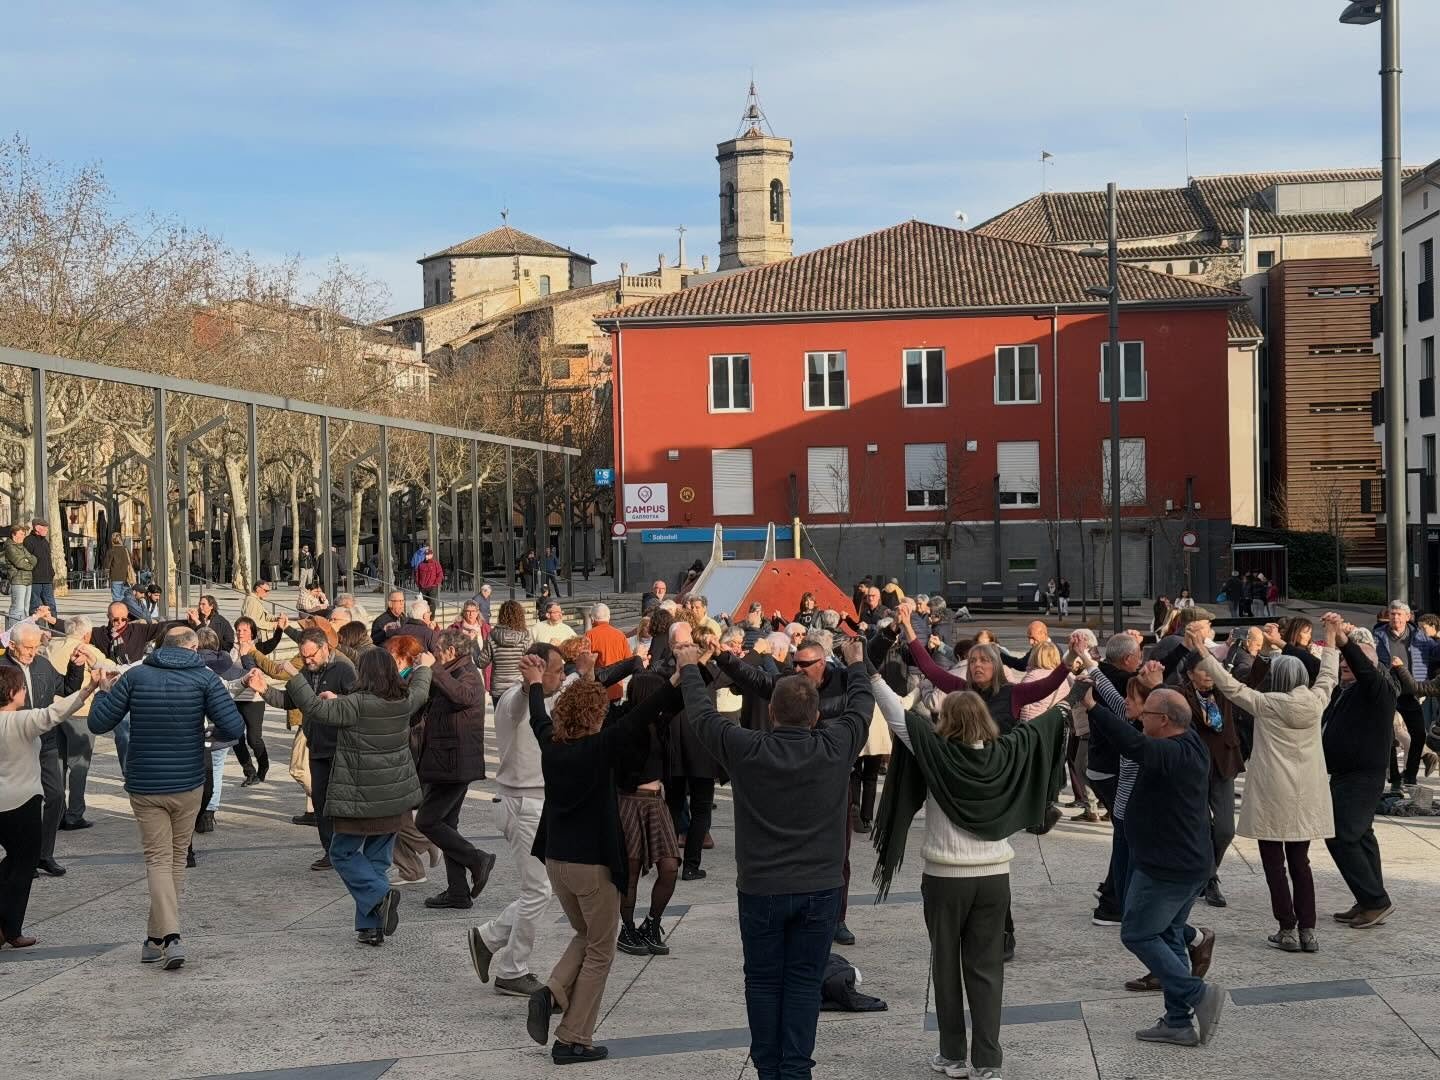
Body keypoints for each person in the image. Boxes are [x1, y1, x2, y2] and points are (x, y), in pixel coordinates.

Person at [674, 635, 871, 1080]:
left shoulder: (748, 748)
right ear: (817, 714)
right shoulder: (836, 746)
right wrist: (857, 663)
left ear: (773, 713)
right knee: (804, 981)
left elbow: (703, 717)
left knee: (762, 982)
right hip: (820, 888)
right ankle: (795, 1069)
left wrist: (689, 668)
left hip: (762, 887)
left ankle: (768, 1069)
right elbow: (861, 708)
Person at [871, 672, 1077, 1080]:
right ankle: (988, 1061)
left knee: (946, 967)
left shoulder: (935, 753)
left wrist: (871, 673)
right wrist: (1073, 697)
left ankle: (952, 1055)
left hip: (946, 878)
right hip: (996, 878)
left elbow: (897, 717)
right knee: (986, 969)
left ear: (946, 722)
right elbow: (1041, 728)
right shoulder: (1006, 754)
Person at [521, 648, 672, 1065]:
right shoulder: (600, 747)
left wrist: (536, 684)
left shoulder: (552, 743)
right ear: (595, 717)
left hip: (556, 861)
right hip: (592, 865)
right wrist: (677, 680)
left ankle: (552, 992)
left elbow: (539, 715)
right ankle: (573, 1037)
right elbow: (645, 714)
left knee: (588, 934)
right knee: (602, 949)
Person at [88, 626, 245, 968]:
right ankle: (171, 936)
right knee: (174, 859)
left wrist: (102, 691)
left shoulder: (136, 676)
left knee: (159, 859)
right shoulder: (204, 679)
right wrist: (205, 733)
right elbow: (234, 727)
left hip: (145, 782)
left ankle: (156, 938)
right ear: (193, 647)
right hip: (188, 780)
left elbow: (99, 723)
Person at [256, 648, 432, 947]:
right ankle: (371, 927)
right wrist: (425, 667)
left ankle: (380, 895)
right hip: (394, 799)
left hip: (359, 798)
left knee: (342, 854)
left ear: (363, 673)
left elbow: (312, 709)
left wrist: (294, 675)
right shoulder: (402, 702)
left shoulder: (355, 704)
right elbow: (419, 690)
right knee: (377, 859)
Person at [1087, 684, 1226, 1047]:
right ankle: (1178, 1022)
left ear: (1164, 721)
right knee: (1166, 936)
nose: (1139, 719)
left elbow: (1134, 745)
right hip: (1186, 863)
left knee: (1137, 933)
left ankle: (1197, 995)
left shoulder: (1172, 752)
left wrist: (1092, 707)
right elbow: (1139, 739)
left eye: (1145, 714)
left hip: (1169, 868)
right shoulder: (1188, 741)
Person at [1191, 618, 1338, 952]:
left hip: (1273, 793)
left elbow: (1228, 685)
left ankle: (1286, 928)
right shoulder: (1316, 703)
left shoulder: (1266, 704)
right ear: (1301, 677)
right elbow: (1328, 674)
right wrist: (1330, 636)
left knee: (1274, 864)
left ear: (1275, 679)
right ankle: (1309, 930)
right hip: (1307, 795)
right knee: (1301, 863)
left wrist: (1201, 649)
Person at [469, 642, 569, 999]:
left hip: (537, 803)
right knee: (538, 890)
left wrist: (585, 669)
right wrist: (530, 684)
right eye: (557, 670)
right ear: (539, 670)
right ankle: (512, 968)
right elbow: (520, 701)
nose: (562, 676)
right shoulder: (515, 698)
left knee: (546, 889)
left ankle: (489, 938)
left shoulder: (549, 694)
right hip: (524, 805)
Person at [0, 664, 112, 947]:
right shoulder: (21, 721)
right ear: (12, 692)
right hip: (21, 802)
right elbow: (56, 713)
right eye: (22, 687)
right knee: (24, 864)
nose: (25, 691)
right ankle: (10, 930)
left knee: (13, 860)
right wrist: (89, 689)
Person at [250, 627, 356, 869]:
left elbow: (358, 701)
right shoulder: (306, 673)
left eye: (312, 656)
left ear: (325, 648)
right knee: (319, 800)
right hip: (316, 744)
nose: (308, 661)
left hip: (341, 747)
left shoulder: (344, 670)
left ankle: (346, 851)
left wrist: (338, 701)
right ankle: (330, 852)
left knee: (340, 802)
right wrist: (264, 689)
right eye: (304, 656)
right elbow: (289, 701)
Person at [416, 627, 497, 908]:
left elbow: (462, 696)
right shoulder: (449, 671)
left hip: (454, 763)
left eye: (439, 650)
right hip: (445, 761)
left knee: (426, 821)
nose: (435, 654)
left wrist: (434, 669)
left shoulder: (467, 674)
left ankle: (478, 859)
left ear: (451, 651)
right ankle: (458, 892)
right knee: (447, 824)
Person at [1325, 623, 1399, 928]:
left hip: (1361, 777)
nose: (1345, 664)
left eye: (1350, 661)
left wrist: (1345, 643)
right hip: (1345, 774)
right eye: (1342, 661)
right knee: (1362, 836)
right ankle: (1370, 897)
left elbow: (1364, 668)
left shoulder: (1379, 688)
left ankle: (1375, 900)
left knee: (1341, 837)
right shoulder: (1347, 692)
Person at [1, 623, 85, 877]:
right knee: (21, 801)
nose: (32, 651)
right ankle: (20, 855)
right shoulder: (3, 670)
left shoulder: (42, 664)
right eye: (27, 647)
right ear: (12, 645)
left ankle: (43, 854)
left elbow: (67, 689)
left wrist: (76, 666)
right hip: (13, 742)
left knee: (56, 795)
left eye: (36, 646)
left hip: (46, 741)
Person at [384, 635, 440, 885]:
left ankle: (427, 842)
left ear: (404, 657)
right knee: (396, 816)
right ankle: (412, 867)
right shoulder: (404, 677)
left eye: (392, 656)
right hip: (403, 752)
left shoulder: (412, 678)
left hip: (406, 752)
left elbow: (407, 708)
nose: (389, 661)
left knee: (389, 816)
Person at [1375, 600, 1440, 792]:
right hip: (1387, 690)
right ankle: (1394, 777)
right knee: (1387, 734)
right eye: (1392, 613)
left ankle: (1410, 775)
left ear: (1407, 616)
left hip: (1411, 691)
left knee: (1419, 733)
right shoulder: (1378, 635)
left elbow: (1436, 653)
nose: (1395, 617)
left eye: (1398, 614)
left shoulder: (1420, 636)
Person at [476, 600, 533, 703]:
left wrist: (474, 646)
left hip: (498, 688)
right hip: (518, 686)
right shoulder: (525, 636)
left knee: (500, 719)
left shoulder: (492, 635)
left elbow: (481, 663)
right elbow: (531, 662)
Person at [584, 603, 633, 703]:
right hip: (616, 687)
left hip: (597, 689)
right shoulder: (620, 635)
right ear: (609, 617)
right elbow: (628, 659)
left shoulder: (589, 635)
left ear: (592, 619)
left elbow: (585, 663)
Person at [3, 524, 35, 628]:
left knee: (26, 609)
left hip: (28, 580)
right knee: (17, 609)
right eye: (21, 534)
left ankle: (23, 631)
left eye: (24, 534)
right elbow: (20, 563)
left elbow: (34, 559)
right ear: (13, 535)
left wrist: (28, 561)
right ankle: (13, 632)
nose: (23, 536)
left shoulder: (22, 547)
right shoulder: (10, 547)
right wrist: (28, 562)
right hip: (17, 580)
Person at [24, 519, 56, 617]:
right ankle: (35, 629)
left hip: (47, 580)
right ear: (37, 528)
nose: (47, 530)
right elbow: (26, 560)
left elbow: (48, 559)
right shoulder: (28, 541)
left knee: (51, 606)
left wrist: (51, 572)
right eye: (45, 528)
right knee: (35, 606)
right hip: (35, 580)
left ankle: (54, 629)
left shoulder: (45, 541)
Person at [104, 534, 136, 601]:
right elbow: (131, 562)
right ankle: (124, 610)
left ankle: (118, 610)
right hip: (126, 577)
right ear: (121, 540)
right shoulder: (126, 550)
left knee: (116, 598)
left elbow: (107, 565)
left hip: (115, 577)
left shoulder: (111, 550)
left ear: (112, 540)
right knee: (125, 597)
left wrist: (106, 574)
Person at [415, 548, 445, 617]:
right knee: (423, 604)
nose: (426, 556)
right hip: (423, 588)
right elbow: (417, 575)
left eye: (428, 555)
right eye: (426, 555)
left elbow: (440, 574)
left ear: (432, 555)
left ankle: (431, 618)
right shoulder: (421, 564)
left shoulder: (435, 564)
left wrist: (436, 583)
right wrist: (418, 584)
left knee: (432, 603)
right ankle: (424, 618)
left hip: (432, 587)